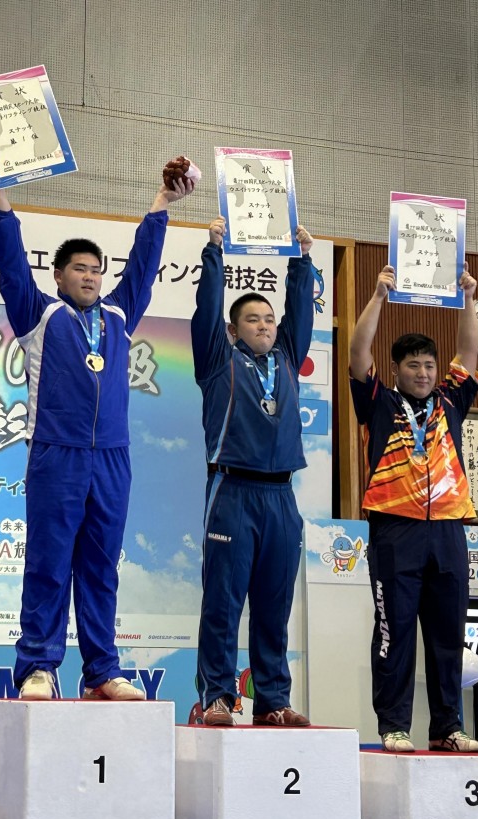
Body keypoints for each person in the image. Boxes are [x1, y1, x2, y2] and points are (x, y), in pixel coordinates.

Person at [0, 161, 194, 700]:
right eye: (79, 268)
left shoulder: (119, 315)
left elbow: (142, 269)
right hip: (57, 452)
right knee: (49, 563)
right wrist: (1, 201)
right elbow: (10, 266)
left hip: (113, 458)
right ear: (58, 276)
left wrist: (161, 204)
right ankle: (38, 667)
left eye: (97, 269)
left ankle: (101, 670)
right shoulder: (39, 315)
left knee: (101, 567)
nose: (91, 277)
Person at [348, 264, 478, 753]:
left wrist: (469, 299)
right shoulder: (378, 402)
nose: (423, 373)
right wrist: (378, 296)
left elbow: (468, 352)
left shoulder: (451, 401)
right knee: (396, 632)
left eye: (429, 365)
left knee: (449, 636)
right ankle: (394, 725)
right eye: (413, 365)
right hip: (395, 532)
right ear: (397, 370)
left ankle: (448, 727)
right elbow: (358, 353)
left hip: (447, 531)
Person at [193, 216, 315, 727]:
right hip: (232, 489)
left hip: (281, 497)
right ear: (233, 329)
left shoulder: (287, 358)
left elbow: (300, 314)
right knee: (223, 602)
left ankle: (273, 700)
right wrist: (214, 251)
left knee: (273, 604)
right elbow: (207, 309)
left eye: (268, 319)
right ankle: (217, 695)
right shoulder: (217, 360)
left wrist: (302, 261)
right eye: (252, 320)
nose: (264, 326)